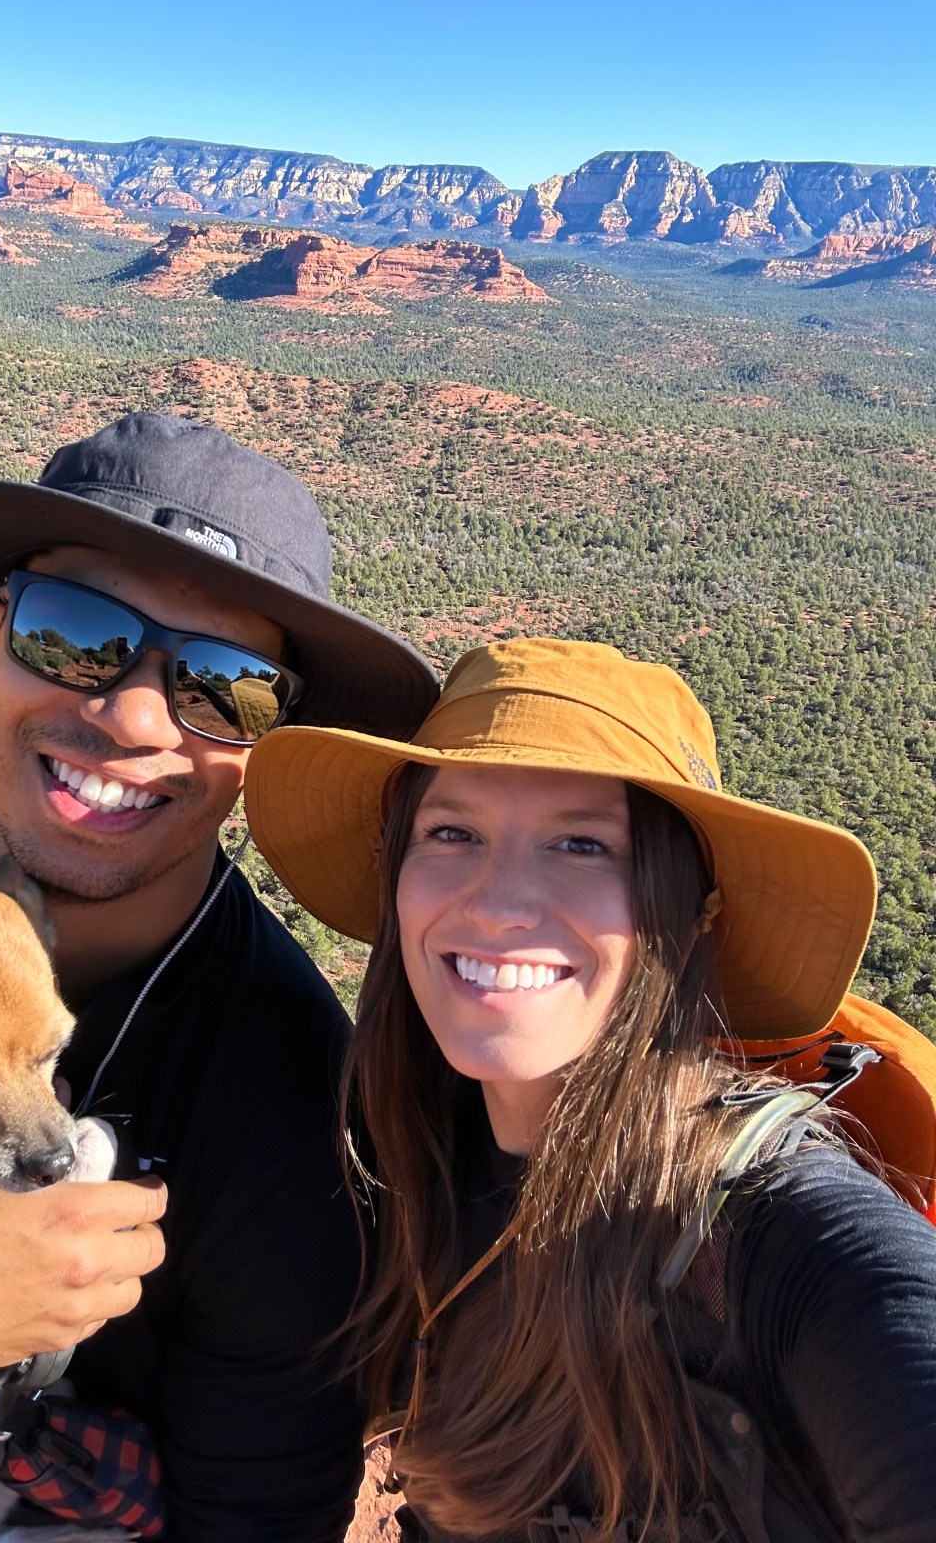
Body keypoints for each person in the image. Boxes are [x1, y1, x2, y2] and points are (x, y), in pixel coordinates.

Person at [0, 411, 440, 1542]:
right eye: (73, 634)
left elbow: (254, 1511)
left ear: (275, 742)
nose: (130, 715)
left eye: (228, 688)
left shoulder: (288, 1095)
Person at [245, 637, 936, 1543]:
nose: (497, 904)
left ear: (692, 916)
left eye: (582, 844)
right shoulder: (400, 1161)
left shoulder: (783, 1240)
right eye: (451, 832)